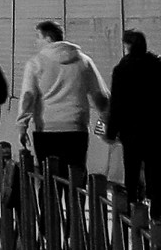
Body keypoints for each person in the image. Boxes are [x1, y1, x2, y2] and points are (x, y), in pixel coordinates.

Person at [105, 29, 161, 218]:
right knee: (156, 179)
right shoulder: (159, 65)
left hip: (132, 132)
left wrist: (111, 131)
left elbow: (117, 103)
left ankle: (134, 218)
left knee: (131, 176)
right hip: (158, 130)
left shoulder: (122, 69)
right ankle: (156, 221)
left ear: (128, 46)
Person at [18, 20, 108, 178]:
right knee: (75, 177)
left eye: (38, 37)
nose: (35, 42)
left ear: (48, 39)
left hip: (46, 129)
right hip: (76, 128)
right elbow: (100, 95)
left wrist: (22, 125)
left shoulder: (36, 63)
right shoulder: (84, 61)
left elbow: (28, 96)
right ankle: (75, 202)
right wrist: (106, 122)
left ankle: (51, 202)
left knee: (50, 179)